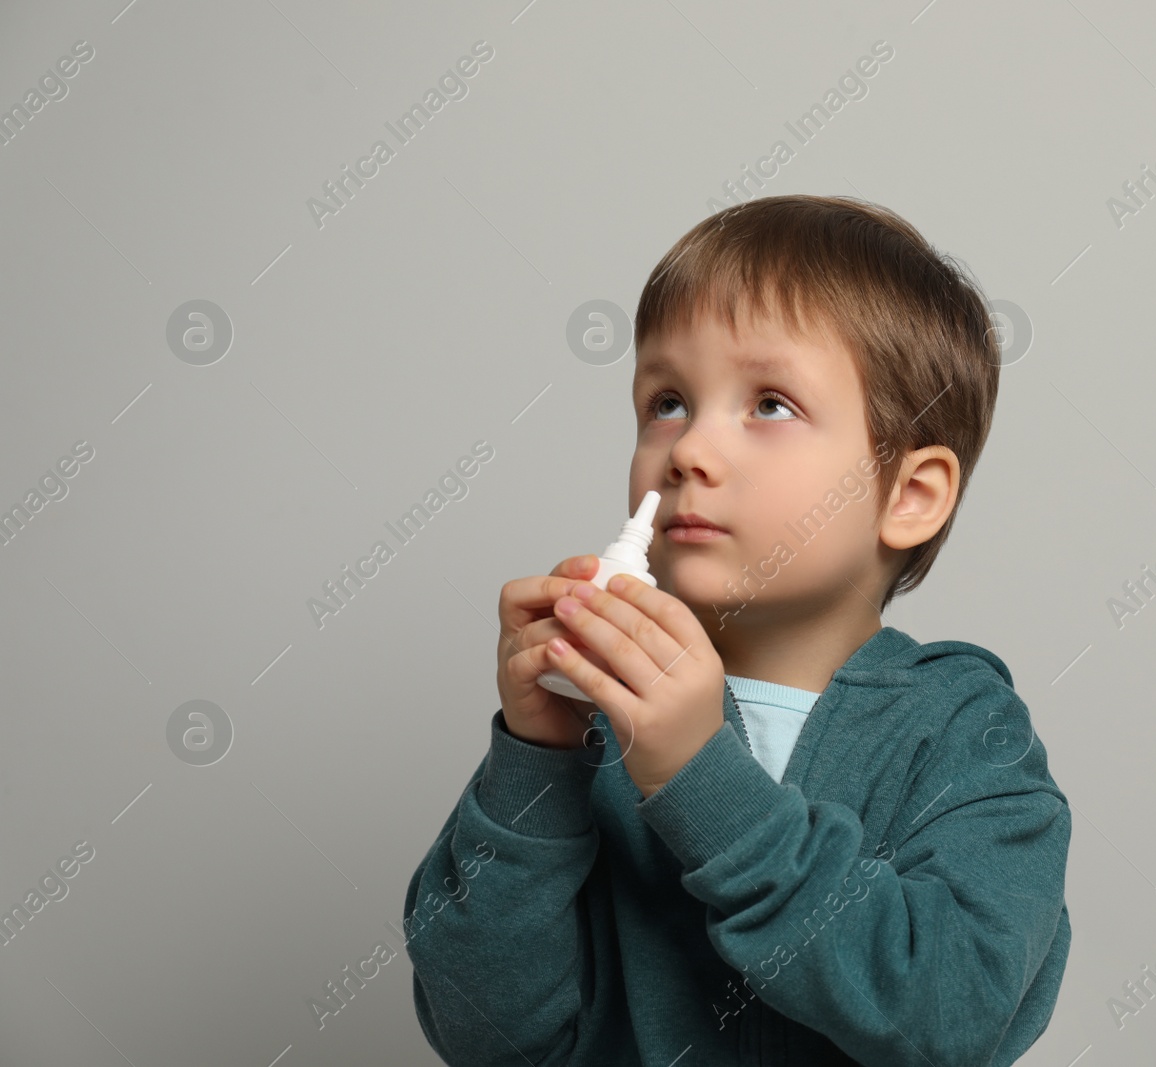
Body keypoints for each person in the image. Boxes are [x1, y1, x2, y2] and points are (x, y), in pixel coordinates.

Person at [403, 194, 1072, 1066]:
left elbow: (949, 1012)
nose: (686, 449)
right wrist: (535, 761)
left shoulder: (965, 737)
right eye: (668, 400)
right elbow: (485, 1033)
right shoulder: (595, 734)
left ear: (910, 495)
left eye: (769, 404)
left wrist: (697, 777)